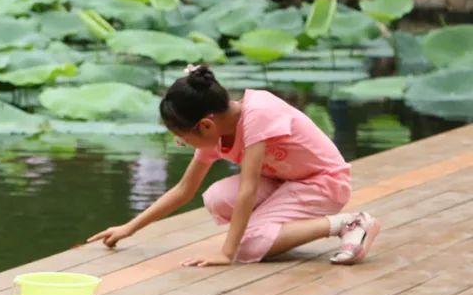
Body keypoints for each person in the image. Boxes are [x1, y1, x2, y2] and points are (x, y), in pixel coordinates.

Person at [88, 66, 381, 267]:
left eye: (182, 138)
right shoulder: (216, 133)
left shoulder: (258, 115)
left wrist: (227, 253)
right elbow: (184, 189)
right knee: (216, 198)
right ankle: (267, 232)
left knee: (248, 245)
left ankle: (348, 223)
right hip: (284, 182)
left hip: (323, 182)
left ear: (205, 124)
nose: (183, 144)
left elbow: (248, 189)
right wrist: (130, 227)